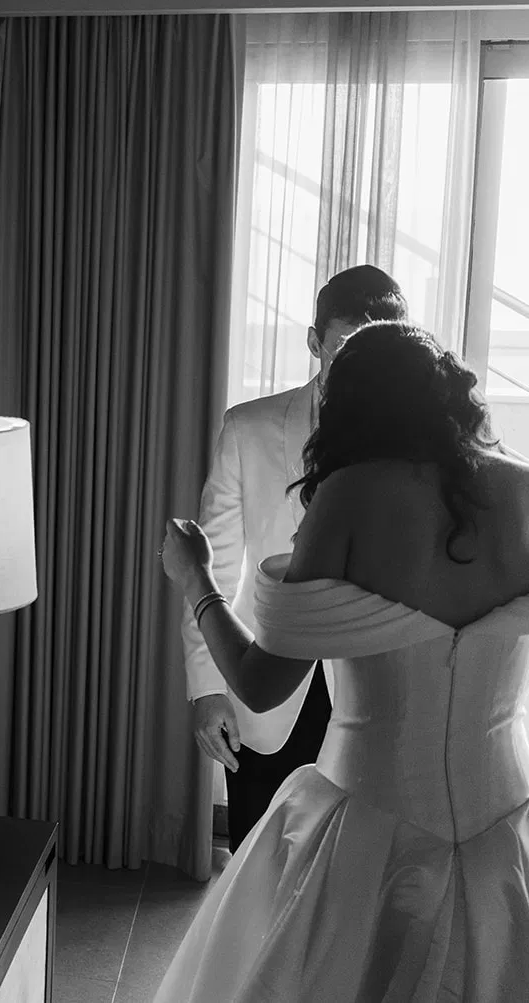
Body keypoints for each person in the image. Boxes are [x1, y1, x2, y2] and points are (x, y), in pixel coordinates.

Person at [153, 321, 529, 1001]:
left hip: (371, 844)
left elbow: (258, 681)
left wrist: (197, 581)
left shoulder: (349, 500)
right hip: (512, 840)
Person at [184, 264, 408, 851]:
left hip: (378, 701)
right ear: (314, 342)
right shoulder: (249, 428)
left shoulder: (418, 448)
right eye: (345, 346)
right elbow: (215, 562)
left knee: (359, 883)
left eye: (379, 346)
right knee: (258, 875)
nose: (364, 365)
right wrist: (206, 689)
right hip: (267, 695)